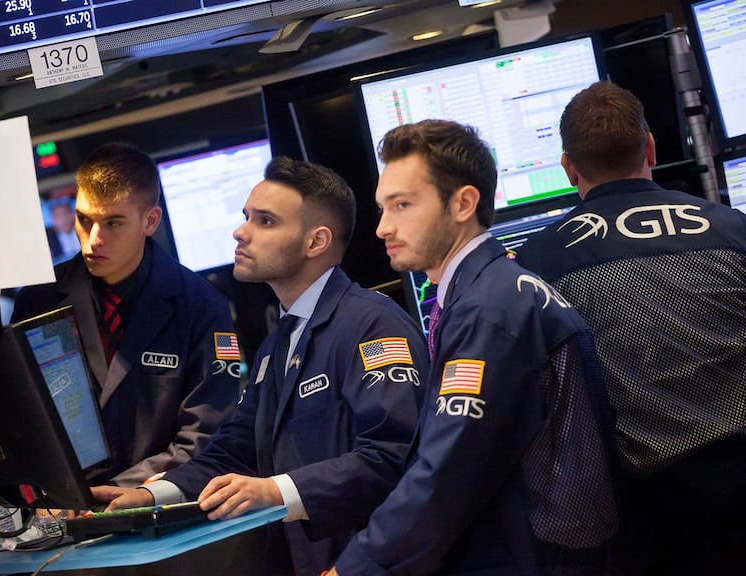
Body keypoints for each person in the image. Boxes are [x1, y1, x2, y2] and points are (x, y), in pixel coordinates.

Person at [93, 157, 427, 576]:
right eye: (246, 217)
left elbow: (392, 458)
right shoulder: (279, 342)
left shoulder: (371, 325)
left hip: (371, 564)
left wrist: (274, 490)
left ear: (315, 242)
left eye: (265, 221)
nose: (240, 231)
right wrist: (153, 494)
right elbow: (237, 449)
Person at [329, 120, 620, 575]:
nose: (383, 227)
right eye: (383, 208)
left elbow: (447, 475)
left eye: (403, 205)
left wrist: (355, 569)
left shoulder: (487, 311)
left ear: (463, 203)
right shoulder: (491, 290)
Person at [516, 81, 746, 574]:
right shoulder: (733, 229)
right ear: (651, 147)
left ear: (568, 167)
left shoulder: (535, 268)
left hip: (646, 522)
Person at [11, 142, 241, 487]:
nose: (93, 241)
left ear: (150, 220)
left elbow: (206, 434)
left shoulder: (202, 306)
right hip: (64, 510)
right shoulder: (38, 301)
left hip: (162, 507)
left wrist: (121, 491)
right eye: (83, 220)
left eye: (113, 223)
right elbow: (20, 415)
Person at [46, 198, 81, 264]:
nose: (63, 220)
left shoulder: (85, 230)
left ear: (73, 214)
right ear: (52, 220)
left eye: (65, 213)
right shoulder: (48, 239)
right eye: (57, 216)